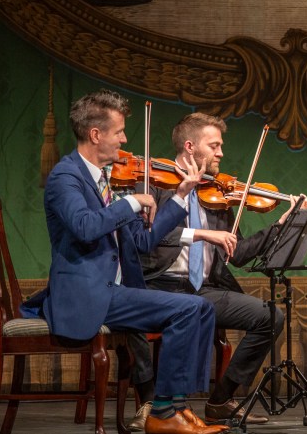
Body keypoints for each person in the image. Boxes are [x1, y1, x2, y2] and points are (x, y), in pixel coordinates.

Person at [31, 89, 226, 434]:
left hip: (115, 292)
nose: (124, 139)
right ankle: (164, 412)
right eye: (119, 131)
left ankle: (176, 405)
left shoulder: (107, 178)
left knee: (201, 308)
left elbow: (143, 241)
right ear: (96, 134)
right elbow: (85, 228)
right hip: (88, 294)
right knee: (188, 309)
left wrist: (180, 196)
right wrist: (132, 203)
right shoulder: (66, 177)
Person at [128, 113, 296, 430]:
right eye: (214, 145)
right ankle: (151, 402)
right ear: (190, 147)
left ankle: (220, 400)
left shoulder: (216, 194)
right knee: (132, 308)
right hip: (156, 285)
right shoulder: (151, 184)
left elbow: (240, 254)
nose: (220, 153)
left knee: (270, 316)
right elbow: (146, 239)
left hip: (201, 289)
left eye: (221, 146)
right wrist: (202, 234)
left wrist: (279, 227)